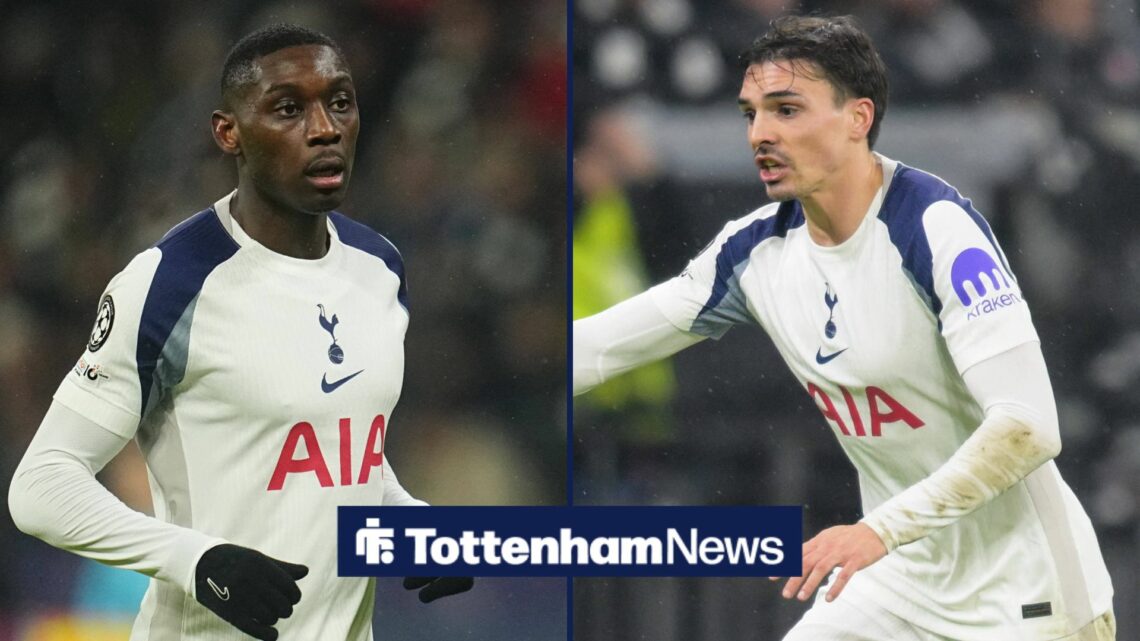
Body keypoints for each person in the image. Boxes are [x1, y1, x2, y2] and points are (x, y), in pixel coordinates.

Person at [573, 15, 1115, 641]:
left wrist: (877, 530)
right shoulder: (753, 254)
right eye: (751, 113)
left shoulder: (935, 228)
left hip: (1025, 596)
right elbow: (597, 349)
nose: (761, 134)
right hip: (898, 581)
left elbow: (1028, 427)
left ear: (858, 118)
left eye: (787, 110)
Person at [8, 24, 471, 641]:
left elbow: (340, 451)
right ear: (229, 132)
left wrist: (410, 523)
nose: (324, 128)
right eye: (288, 108)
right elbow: (40, 485)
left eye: (339, 102)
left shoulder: (379, 268)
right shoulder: (168, 283)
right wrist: (196, 560)